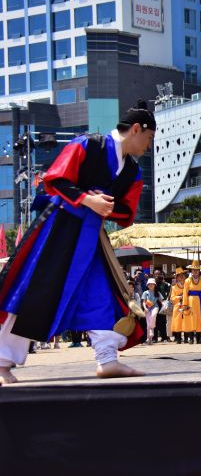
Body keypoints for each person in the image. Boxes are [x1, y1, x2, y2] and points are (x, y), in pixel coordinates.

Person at [0, 99, 156, 384]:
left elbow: (126, 212)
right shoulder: (89, 144)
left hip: (91, 237)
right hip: (58, 229)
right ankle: (1, 362)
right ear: (136, 129)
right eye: (148, 138)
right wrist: (88, 199)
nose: (148, 146)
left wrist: (104, 205)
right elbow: (55, 179)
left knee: (102, 295)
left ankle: (107, 360)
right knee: (32, 292)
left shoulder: (132, 171)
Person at [182, 260, 201, 344]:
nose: (195, 272)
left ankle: (199, 338)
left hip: (200, 301)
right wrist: (185, 304)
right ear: (191, 271)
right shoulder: (187, 281)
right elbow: (185, 292)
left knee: (199, 320)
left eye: (197, 270)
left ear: (199, 271)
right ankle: (191, 338)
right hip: (190, 302)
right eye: (193, 270)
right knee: (191, 319)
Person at [141, 278, 163, 345]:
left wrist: (165, 306)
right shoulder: (145, 293)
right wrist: (145, 308)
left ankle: (151, 330)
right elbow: (144, 302)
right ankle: (149, 339)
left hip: (155, 307)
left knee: (153, 316)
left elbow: (161, 301)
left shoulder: (157, 293)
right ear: (147, 285)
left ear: (154, 285)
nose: (151, 285)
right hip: (147, 309)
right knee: (148, 324)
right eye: (149, 284)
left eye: (152, 284)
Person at [170, 268, 188, 343]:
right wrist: (180, 297)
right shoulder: (174, 287)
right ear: (176, 277)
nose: (181, 277)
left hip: (186, 305)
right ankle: (178, 338)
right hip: (177, 306)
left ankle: (187, 338)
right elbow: (172, 298)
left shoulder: (188, 285)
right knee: (178, 322)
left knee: (187, 321)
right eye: (179, 276)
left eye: (182, 276)